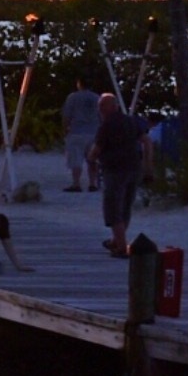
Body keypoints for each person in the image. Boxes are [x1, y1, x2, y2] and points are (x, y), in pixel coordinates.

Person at [91, 92, 148, 254]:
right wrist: (147, 164)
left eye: (103, 106)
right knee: (125, 205)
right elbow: (146, 141)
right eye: (99, 106)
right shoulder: (131, 122)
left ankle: (121, 246)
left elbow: (96, 150)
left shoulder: (107, 125)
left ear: (113, 107)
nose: (100, 109)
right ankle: (117, 240)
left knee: (113, 207)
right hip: (134, 167)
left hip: (115, 169)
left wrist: (91, 157)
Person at [61, 78, 104, 192]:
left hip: (76, 132)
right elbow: (102, 116)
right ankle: (92, 184)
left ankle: (76, 183)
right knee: (92, 159)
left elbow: (67, 115)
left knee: (76, 159)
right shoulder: (97, 98)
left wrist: (65, 130)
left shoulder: (73, 97)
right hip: (94, 132)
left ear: (79, 84)